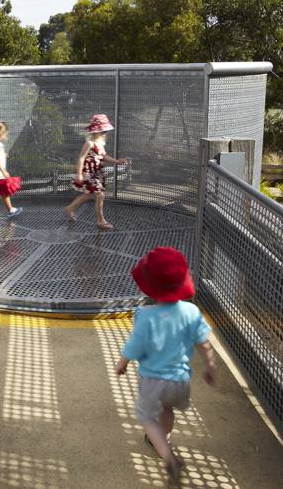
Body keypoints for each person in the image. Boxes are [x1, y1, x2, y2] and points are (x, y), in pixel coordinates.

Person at [115, 247, 217, 482]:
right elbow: (203, 343)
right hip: (180, 381)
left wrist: (122, 364)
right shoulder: (191, 311)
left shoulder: (144, 316)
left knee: (146, 416)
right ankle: (166, 438)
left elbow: (134, 346)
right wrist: (210, 366)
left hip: (152, 381)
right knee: (167, 409)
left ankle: (168, 456)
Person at [64, 114, 128, 229]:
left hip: (96, 173)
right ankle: (100, 220)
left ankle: (70, 208)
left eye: (105, 132)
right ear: (95, 132)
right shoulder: (89, 143)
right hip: (89, 173)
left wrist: (118, 161)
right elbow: (81, 158)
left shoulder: (101, 145)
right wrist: (79, 173)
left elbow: (105, 157)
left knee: (88, 195)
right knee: (100, 195)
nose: (104, 134)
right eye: (102, 131)